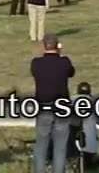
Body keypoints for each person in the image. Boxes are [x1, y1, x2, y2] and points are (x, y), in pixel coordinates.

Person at [30, 33, 74, 173]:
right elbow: (71, 72)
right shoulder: (64, 61)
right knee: (60, 147)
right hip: (61, 108)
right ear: (57, 46)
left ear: (44, 46)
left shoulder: (36, 63)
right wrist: (60, 54)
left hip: (43, 107)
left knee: (41, 145)